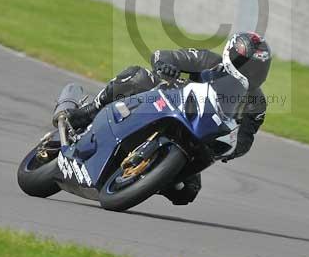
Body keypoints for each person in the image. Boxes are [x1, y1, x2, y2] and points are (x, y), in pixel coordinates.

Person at [53, 32, 272, 205]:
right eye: (247, 65)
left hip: (200, 136)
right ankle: (89, 112)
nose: (250, 72)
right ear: (231, 54)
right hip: (167, 103)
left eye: (257, 68)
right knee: (137, 77)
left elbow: (245, 139)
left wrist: (230, 148)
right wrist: (164, 67)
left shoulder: (257, 103)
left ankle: (146, 177)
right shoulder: (208, 60)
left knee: (187, 192)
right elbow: (162, 56)